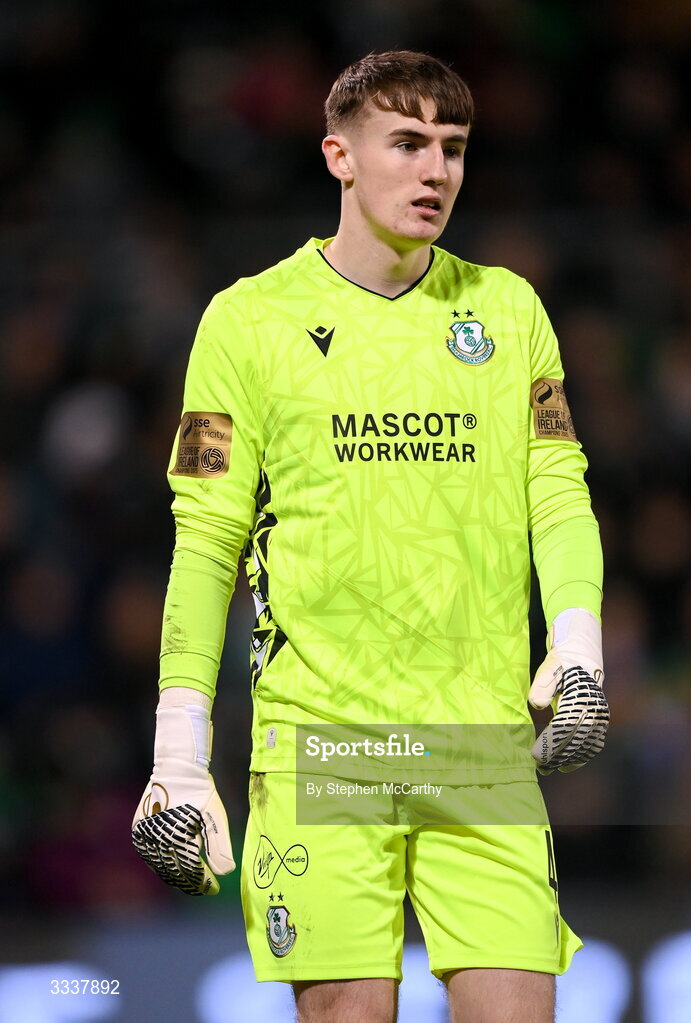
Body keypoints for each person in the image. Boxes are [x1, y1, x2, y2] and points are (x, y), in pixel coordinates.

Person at [132, 50, 609, 1023]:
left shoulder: (508, 312)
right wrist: (178, 753)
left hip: (478, 738)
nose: (436, 171)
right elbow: (205, 540)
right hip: (324, 745)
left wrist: (579, 647)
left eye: (453, 148)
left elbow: (557, 495)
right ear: (338, 156)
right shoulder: (245, 323)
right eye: (407, 144)